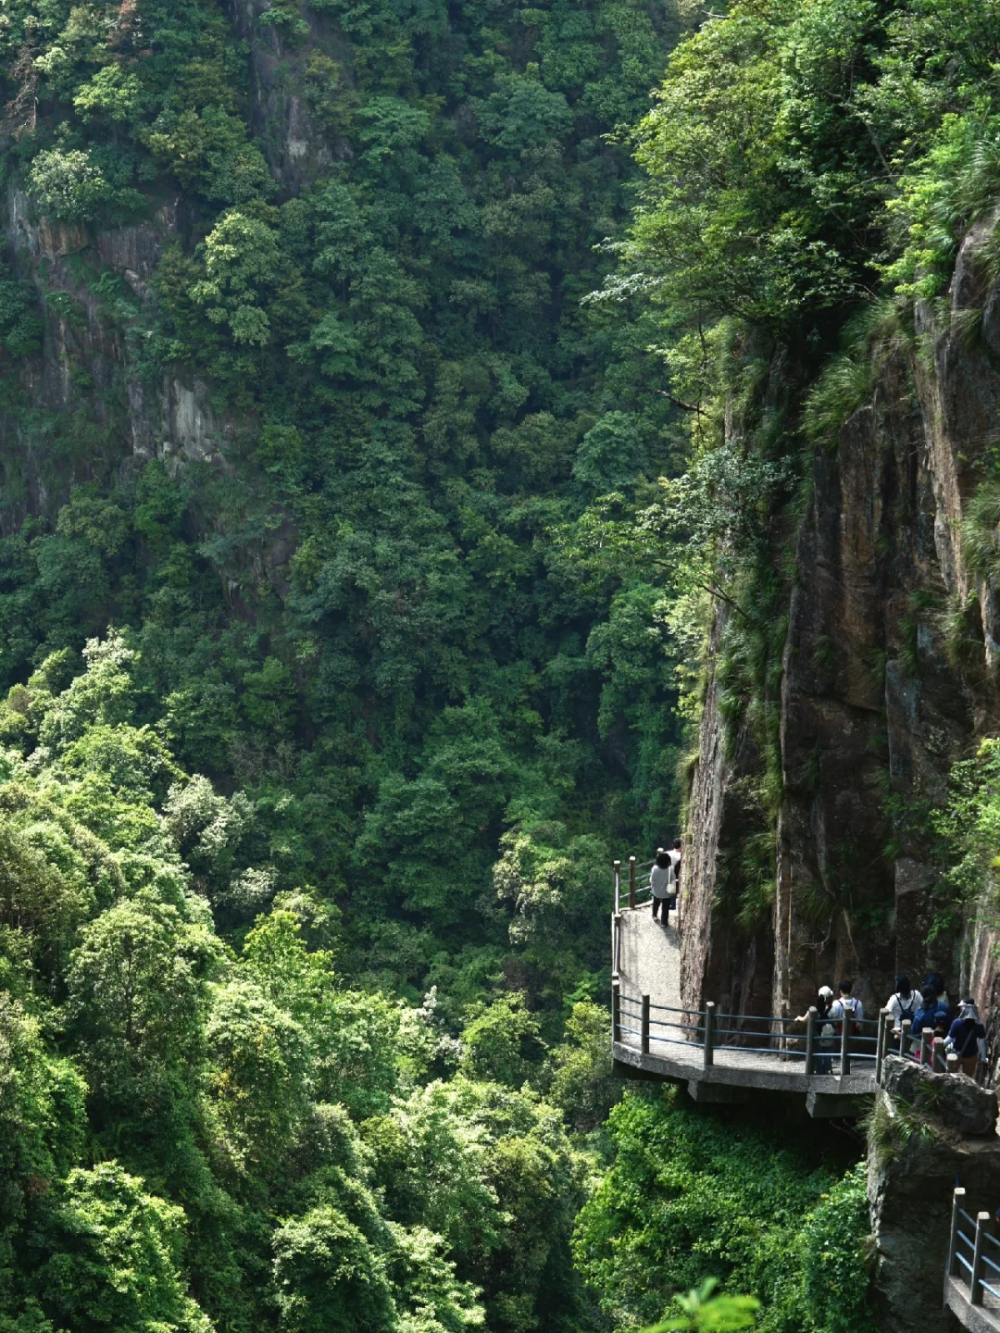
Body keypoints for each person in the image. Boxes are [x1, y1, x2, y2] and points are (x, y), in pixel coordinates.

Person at [795, 986, 835, 1074]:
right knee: (828, 1052)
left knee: (818, 1052)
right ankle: (827, 1069)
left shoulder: (814, 1009)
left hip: (818, 1035)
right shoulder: (833, 1009)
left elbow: (804, 1019)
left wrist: (799, 1018)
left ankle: (819, 1070)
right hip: (829, 1035)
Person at [947, 1000, 987, 1078]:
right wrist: (983, 1058)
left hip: (956, 1054)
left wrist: (938, 1044)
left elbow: (949, 1040)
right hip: (971, 1056)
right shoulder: (979, 1026)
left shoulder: (956, 1023)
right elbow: (982, 1044)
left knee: (952, 1076)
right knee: (968, 1078)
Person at [911, 986, 952, 1062]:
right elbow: (950, 1024)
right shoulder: (944, 1006)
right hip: (944, 1042)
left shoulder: (920, 1013)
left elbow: (914, 1031)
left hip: (925, 1046)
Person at [885, 975, 919, 1049]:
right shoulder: (916, 995)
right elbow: (920, 1007)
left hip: (897, 1029)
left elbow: (886, 1011)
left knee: (896, 1050)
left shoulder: (894, 998)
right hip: (912, 1028)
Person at [650, 850, 673, 924]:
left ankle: (654, 915)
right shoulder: (670, 869)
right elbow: (672, 880)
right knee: (665, 907)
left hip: (656, 891)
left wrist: (652, 884)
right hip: (666, 893)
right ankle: (664, 922)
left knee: (656, 903)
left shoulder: (655, 869)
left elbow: (652, 880)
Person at [667, 838, 681, 913]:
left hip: (669, 871)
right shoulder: (680, 856)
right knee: (675, 889)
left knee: (671, 888)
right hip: (676, 873)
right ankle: (672, 904)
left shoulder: (669, 853)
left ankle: (670, 904)